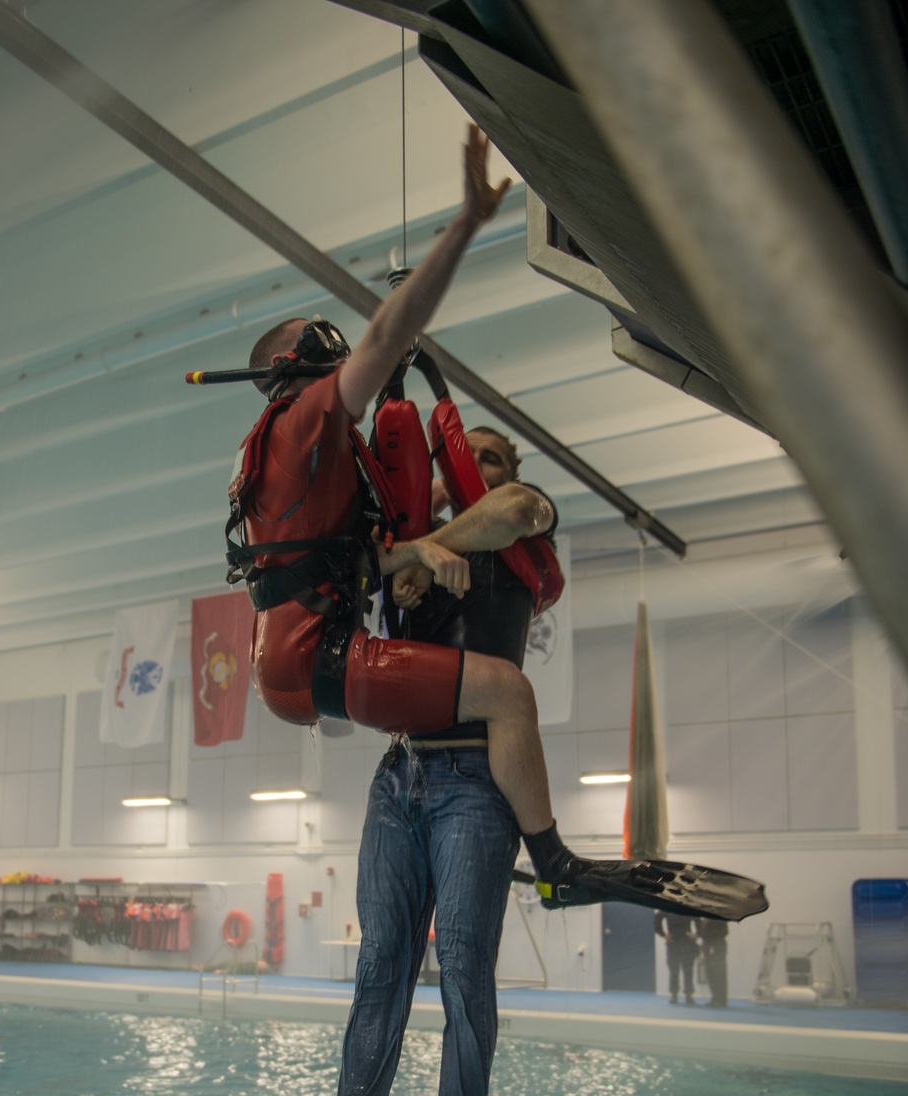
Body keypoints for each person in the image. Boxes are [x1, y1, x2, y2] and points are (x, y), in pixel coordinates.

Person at [226, 125, 764, 921]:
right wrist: (467, 222)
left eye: (499, 461)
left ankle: (549, 863)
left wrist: (416, 544)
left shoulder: (321, 472)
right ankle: (556, 865)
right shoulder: (308, 423)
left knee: (498, 703)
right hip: (349, 687)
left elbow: (413, 544)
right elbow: (386, 339)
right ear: (308, 373)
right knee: (508, 691)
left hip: (313, 668)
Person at [289, 425, 554, 1096]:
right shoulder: (411, 550)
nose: (472, 473)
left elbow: (511, 509)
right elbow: (368, 566)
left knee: (466, 980)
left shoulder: (526, 524)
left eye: (492, 457)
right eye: (456, 466)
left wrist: (433, 539)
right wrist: (418, 548)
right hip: (398, 779)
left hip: (477, 784)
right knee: (379, 974)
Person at [655, 912, 699, 1005]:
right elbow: (656, 921)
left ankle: (688, 995)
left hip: (687, 943)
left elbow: (698, 920)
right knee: (674, 971)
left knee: (688, 971)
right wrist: (663, 934)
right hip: (673, 943)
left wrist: (697, 933)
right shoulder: (668, 906)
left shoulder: (686, 906)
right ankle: (674, 994)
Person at [698, 916, 729, 1006]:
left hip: (716, 946)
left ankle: (720, 999)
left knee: (718, 974)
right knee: (711, 973)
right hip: (708, 947)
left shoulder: (719, 918)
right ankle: (715, 997)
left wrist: (707, 937)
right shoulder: (705, 919)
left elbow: (724, 932)